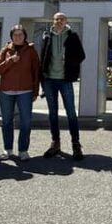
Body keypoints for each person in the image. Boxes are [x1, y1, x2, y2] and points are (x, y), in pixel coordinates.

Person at [40, 12, 86, 160]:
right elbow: (43, 56)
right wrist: (42, 77)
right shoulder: (47, 36)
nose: (59, 21)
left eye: (62, 19)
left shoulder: (73, 36)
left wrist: (69, 60)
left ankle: (76, 144)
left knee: (71, 112)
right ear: (53, 21)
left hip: (65, 79)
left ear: (66, 21)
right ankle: (55, 143)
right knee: (52, 113)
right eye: (56, 19)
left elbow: (81, 56)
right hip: (49, 80)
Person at [0, 24, 40, 162]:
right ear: (11, 36)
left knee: (26, 122)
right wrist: (10, 61)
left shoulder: (31, 50)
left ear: (25, 36)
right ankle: (7, 149)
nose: (18, 37)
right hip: (6, 91)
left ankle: (23, 150)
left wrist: (35, 91)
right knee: (7, 121)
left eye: (21, 34)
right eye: (15, 35)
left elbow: (36, 71)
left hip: (25, 91)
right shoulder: (5, 49)